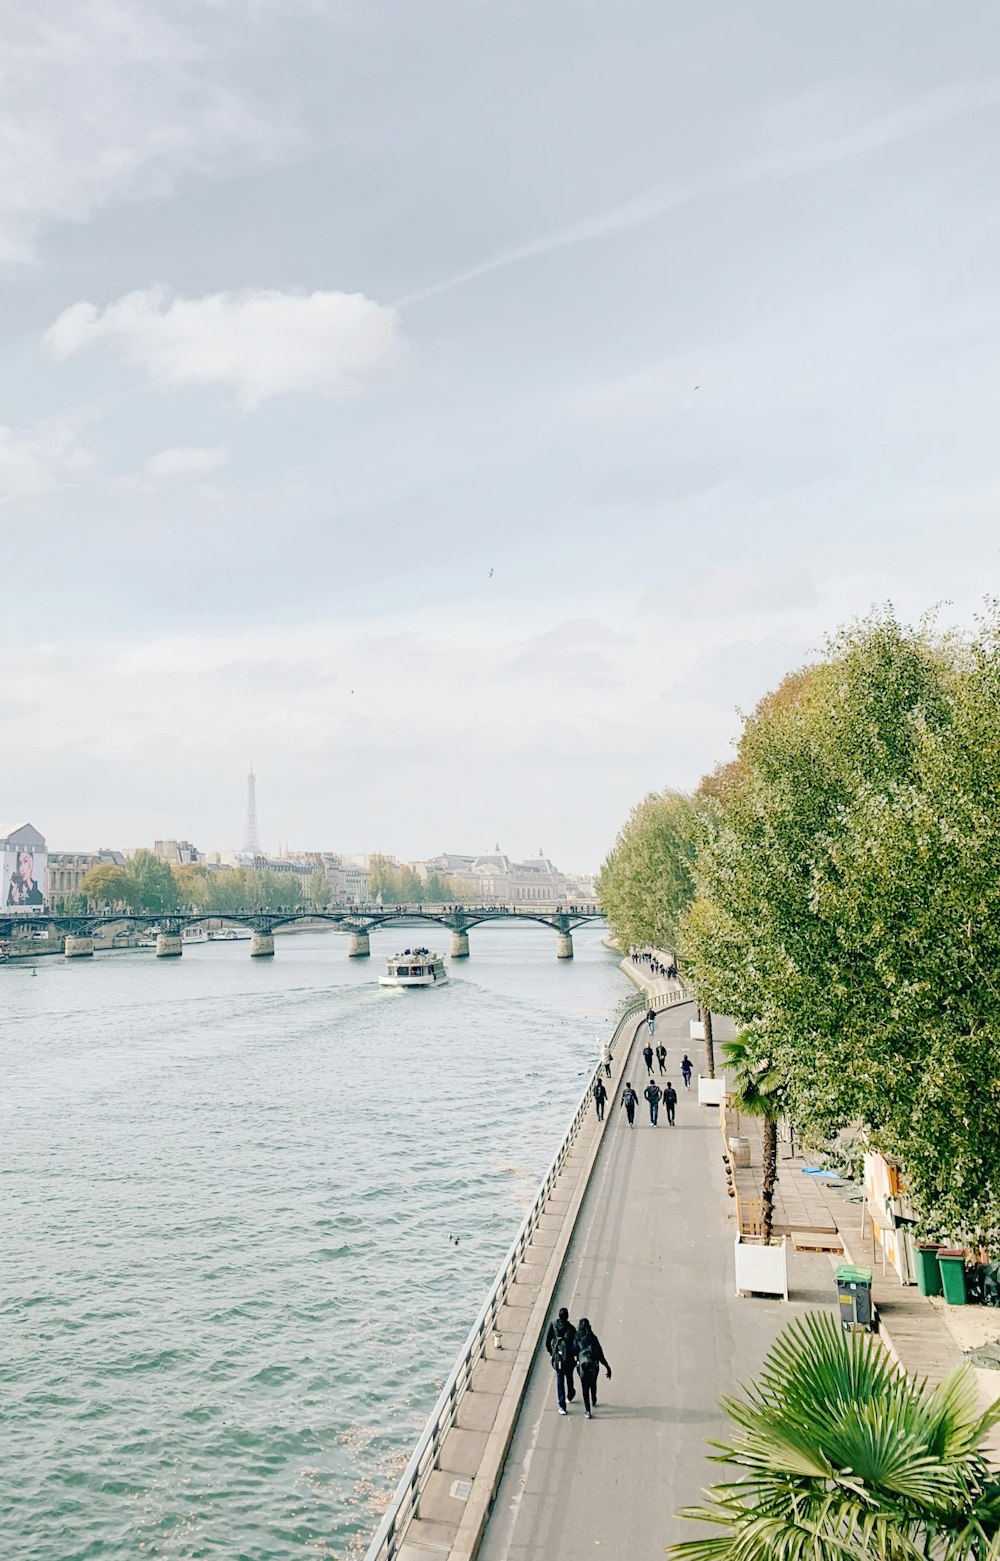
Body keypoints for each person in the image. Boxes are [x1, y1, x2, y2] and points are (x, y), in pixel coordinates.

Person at [573, 1317, 611, 1418]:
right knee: (593, 1383)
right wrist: (607, 1367)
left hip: (582, 1368)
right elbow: (600, 1354)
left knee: (585, 1388)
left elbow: (573, 1351)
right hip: (593, 1366)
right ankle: (593, 1398)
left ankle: (587, 1410)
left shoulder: (577, 1338)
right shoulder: (593, 1339)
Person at [545, 1306, 577, 1413]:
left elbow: (547, 1341)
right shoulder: (571, 1329)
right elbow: (576, 1345)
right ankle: (571, 1394)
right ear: (567, 1317)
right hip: (569, 1359)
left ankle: (562, 1406)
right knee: (569, 1377)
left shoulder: (553, 1325)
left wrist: (551, 1353)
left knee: (560, 1381)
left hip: (558, 1359)